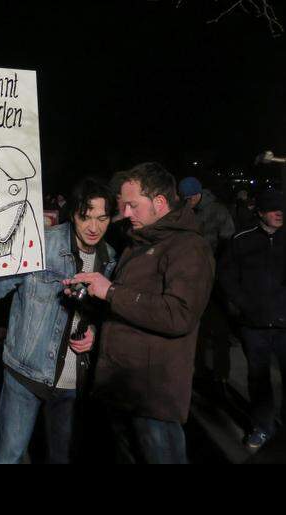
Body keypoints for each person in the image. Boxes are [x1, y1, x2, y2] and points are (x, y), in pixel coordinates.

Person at [0, 179, 118, 464]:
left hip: (73, 381)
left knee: (62, 457)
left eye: (102, 218)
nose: (93, 227)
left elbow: (108, 314)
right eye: (86, 217)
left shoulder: (110, 259)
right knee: (7, 455)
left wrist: (95, 332)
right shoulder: (42, 244)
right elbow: (0, 282)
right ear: (73, 214)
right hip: (26, 372)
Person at [64, 162, 214, 464]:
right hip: (122, 389)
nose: (126, 213)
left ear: (159, 202)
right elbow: (127, 308)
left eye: (133, 205)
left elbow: (179, 314)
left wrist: (110, 292)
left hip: (152, 398)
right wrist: (97, 321)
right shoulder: (140, 240)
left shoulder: (189, 247)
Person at [218, 189, 286, 451]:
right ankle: (262, 427)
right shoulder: (241, 240)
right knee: (258, 380)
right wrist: (245, 306)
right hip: (255, 326)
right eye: (272, 208)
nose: (279, 212)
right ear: (259, 212)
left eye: (282, 208)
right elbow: (226, 277)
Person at [179, 176, 237, 398]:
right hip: (192, 280)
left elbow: (229, 244)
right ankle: (199, 373)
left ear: (198, 194)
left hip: (215, 280)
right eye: (184, 199)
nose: (188, 202)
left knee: (221, 331)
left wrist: (218, 271)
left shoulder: (218, 211)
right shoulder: (184, 211)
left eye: (190, 198)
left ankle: (221, 376)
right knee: (197, 329)